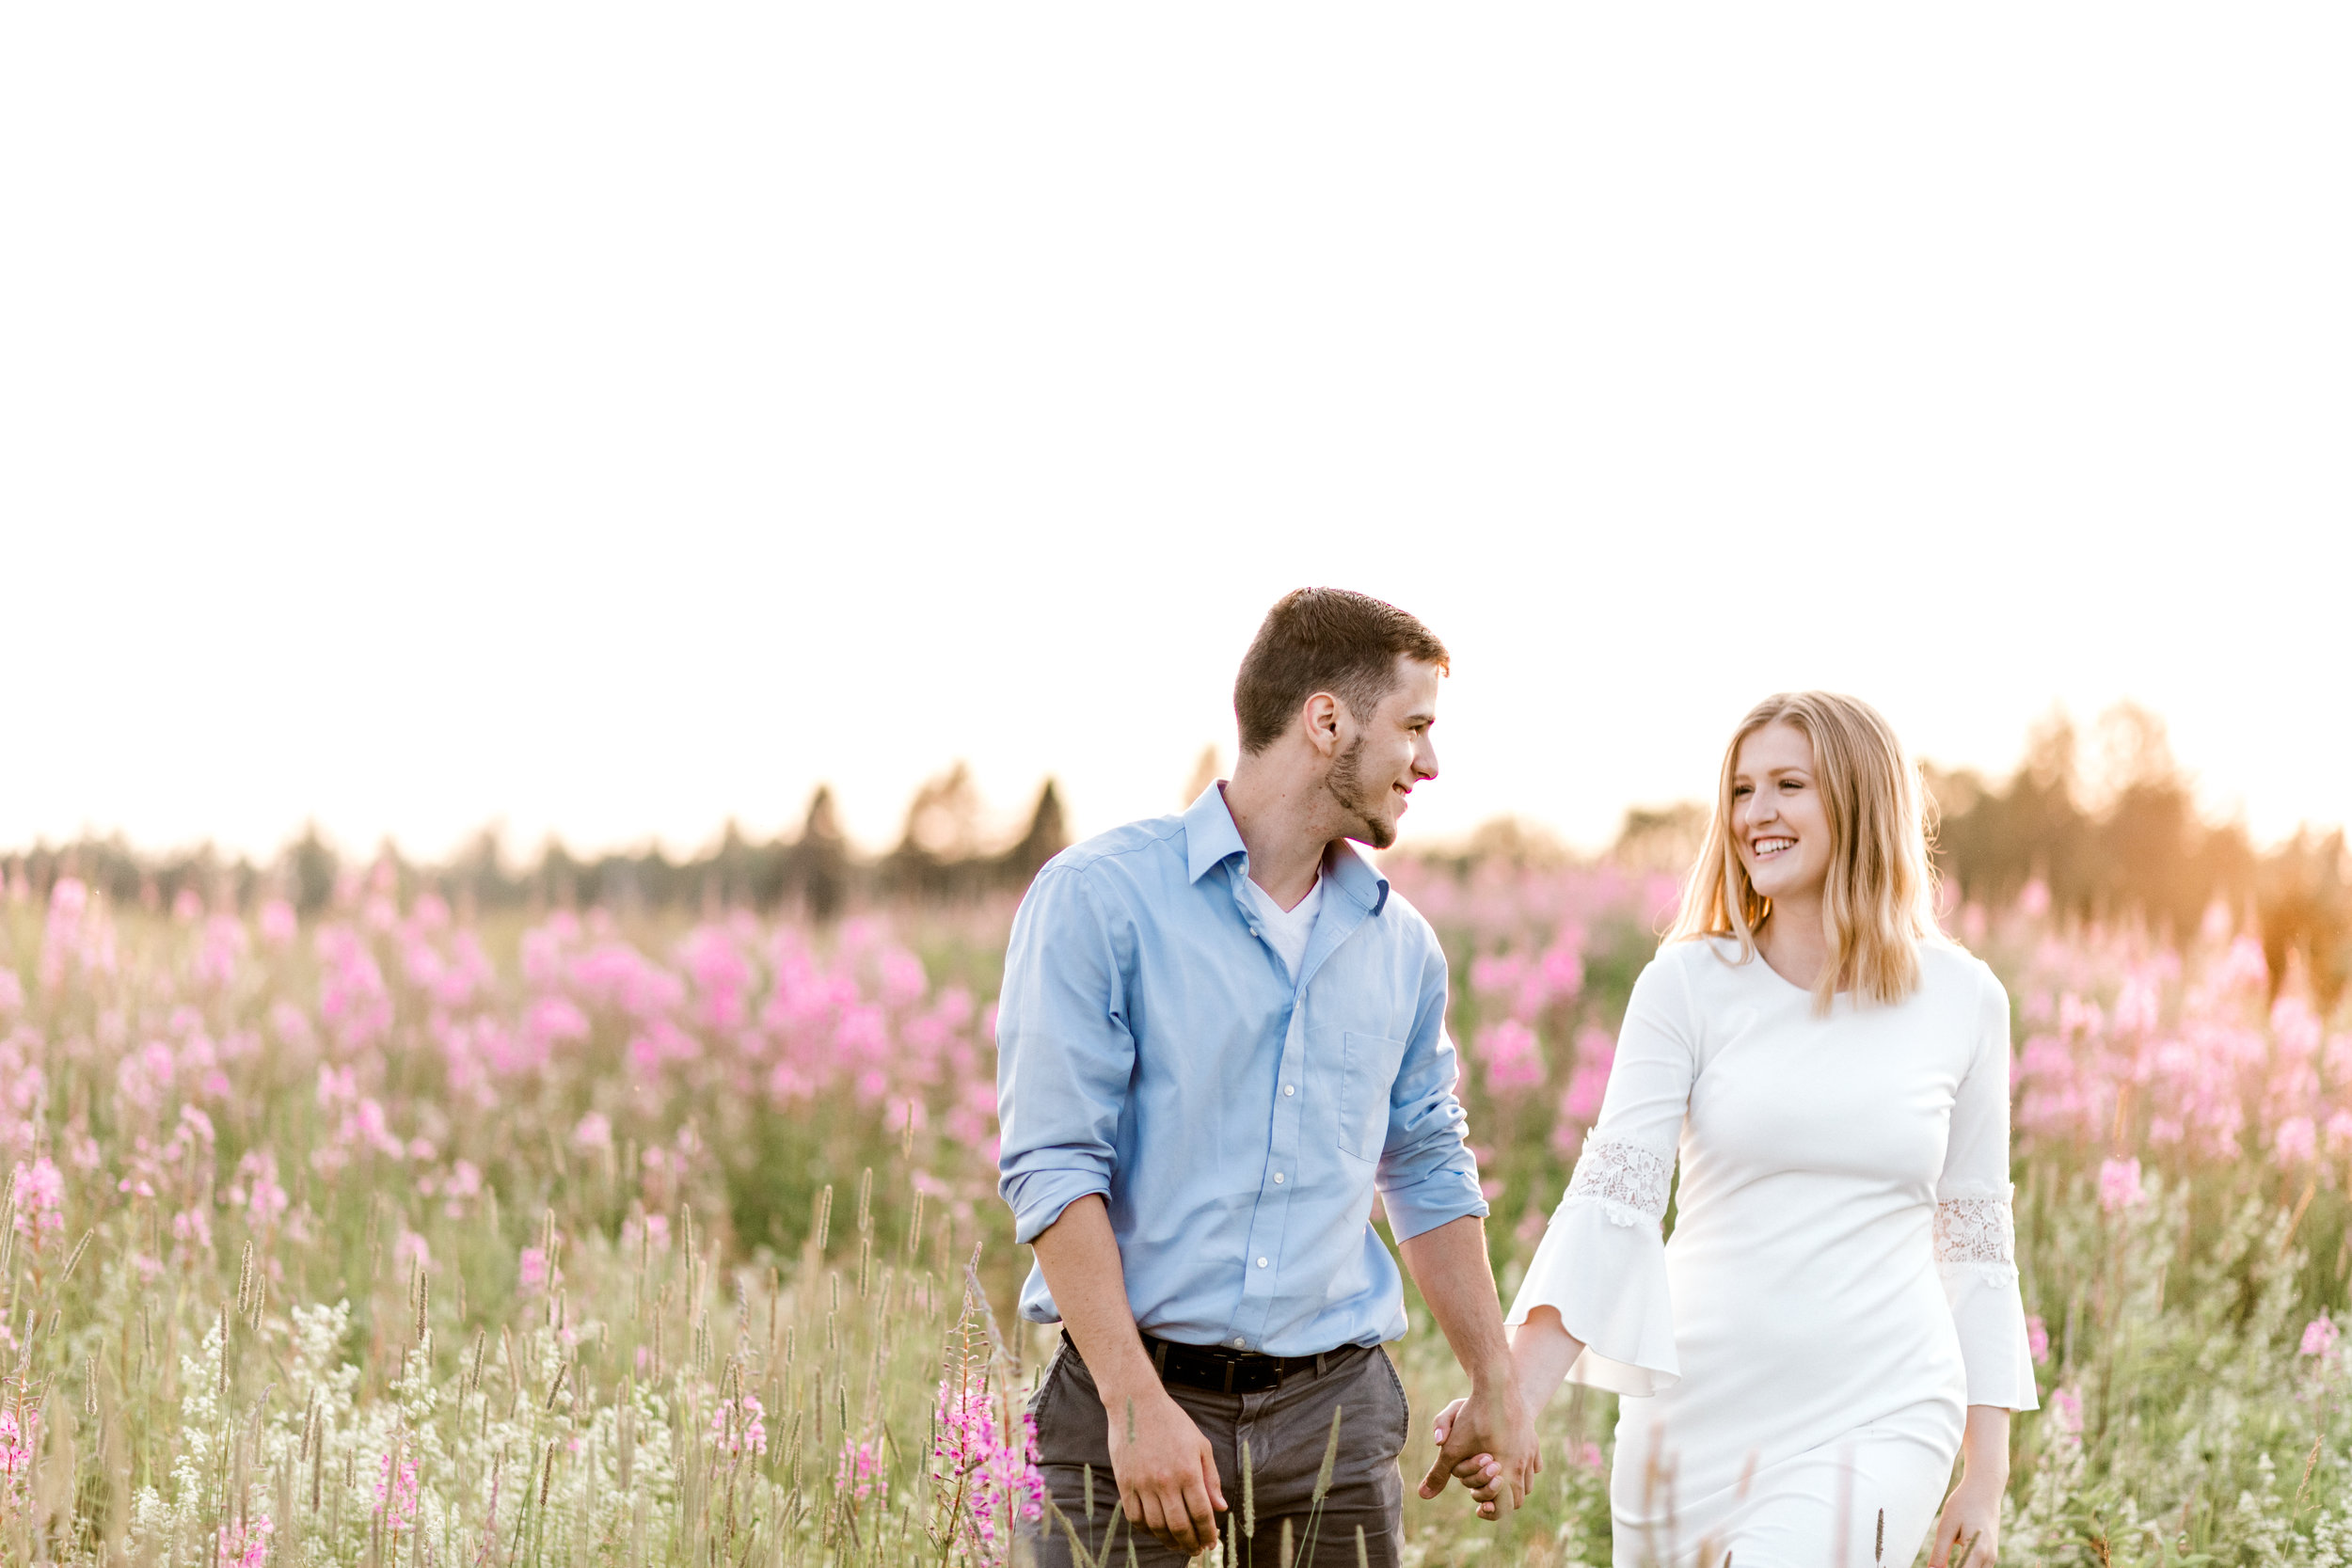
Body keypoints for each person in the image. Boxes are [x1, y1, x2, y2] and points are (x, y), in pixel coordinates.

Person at [995, 587, 1539, 1567]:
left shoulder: (1401, 946)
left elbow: (1421, 1160)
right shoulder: (1100, 899)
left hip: (1334, 1423)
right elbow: (1052, 1164)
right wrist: (1133, 1403)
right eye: (1413, 725)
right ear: (1325, 718)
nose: (1430, 760)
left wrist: (1493, 1375)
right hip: (1127, 1403)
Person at [1436, 691, 2038, 1567]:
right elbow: (1615, 1199)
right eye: (1743, 789)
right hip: (1694, 1422)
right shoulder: (1686, 983)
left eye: (1789, 784)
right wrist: (1513, 1394)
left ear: (1861, 799)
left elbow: (1978, 1240)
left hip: (1885, 1406)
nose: (1757, 813)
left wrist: (1985, 1475)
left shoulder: (1966, 999)